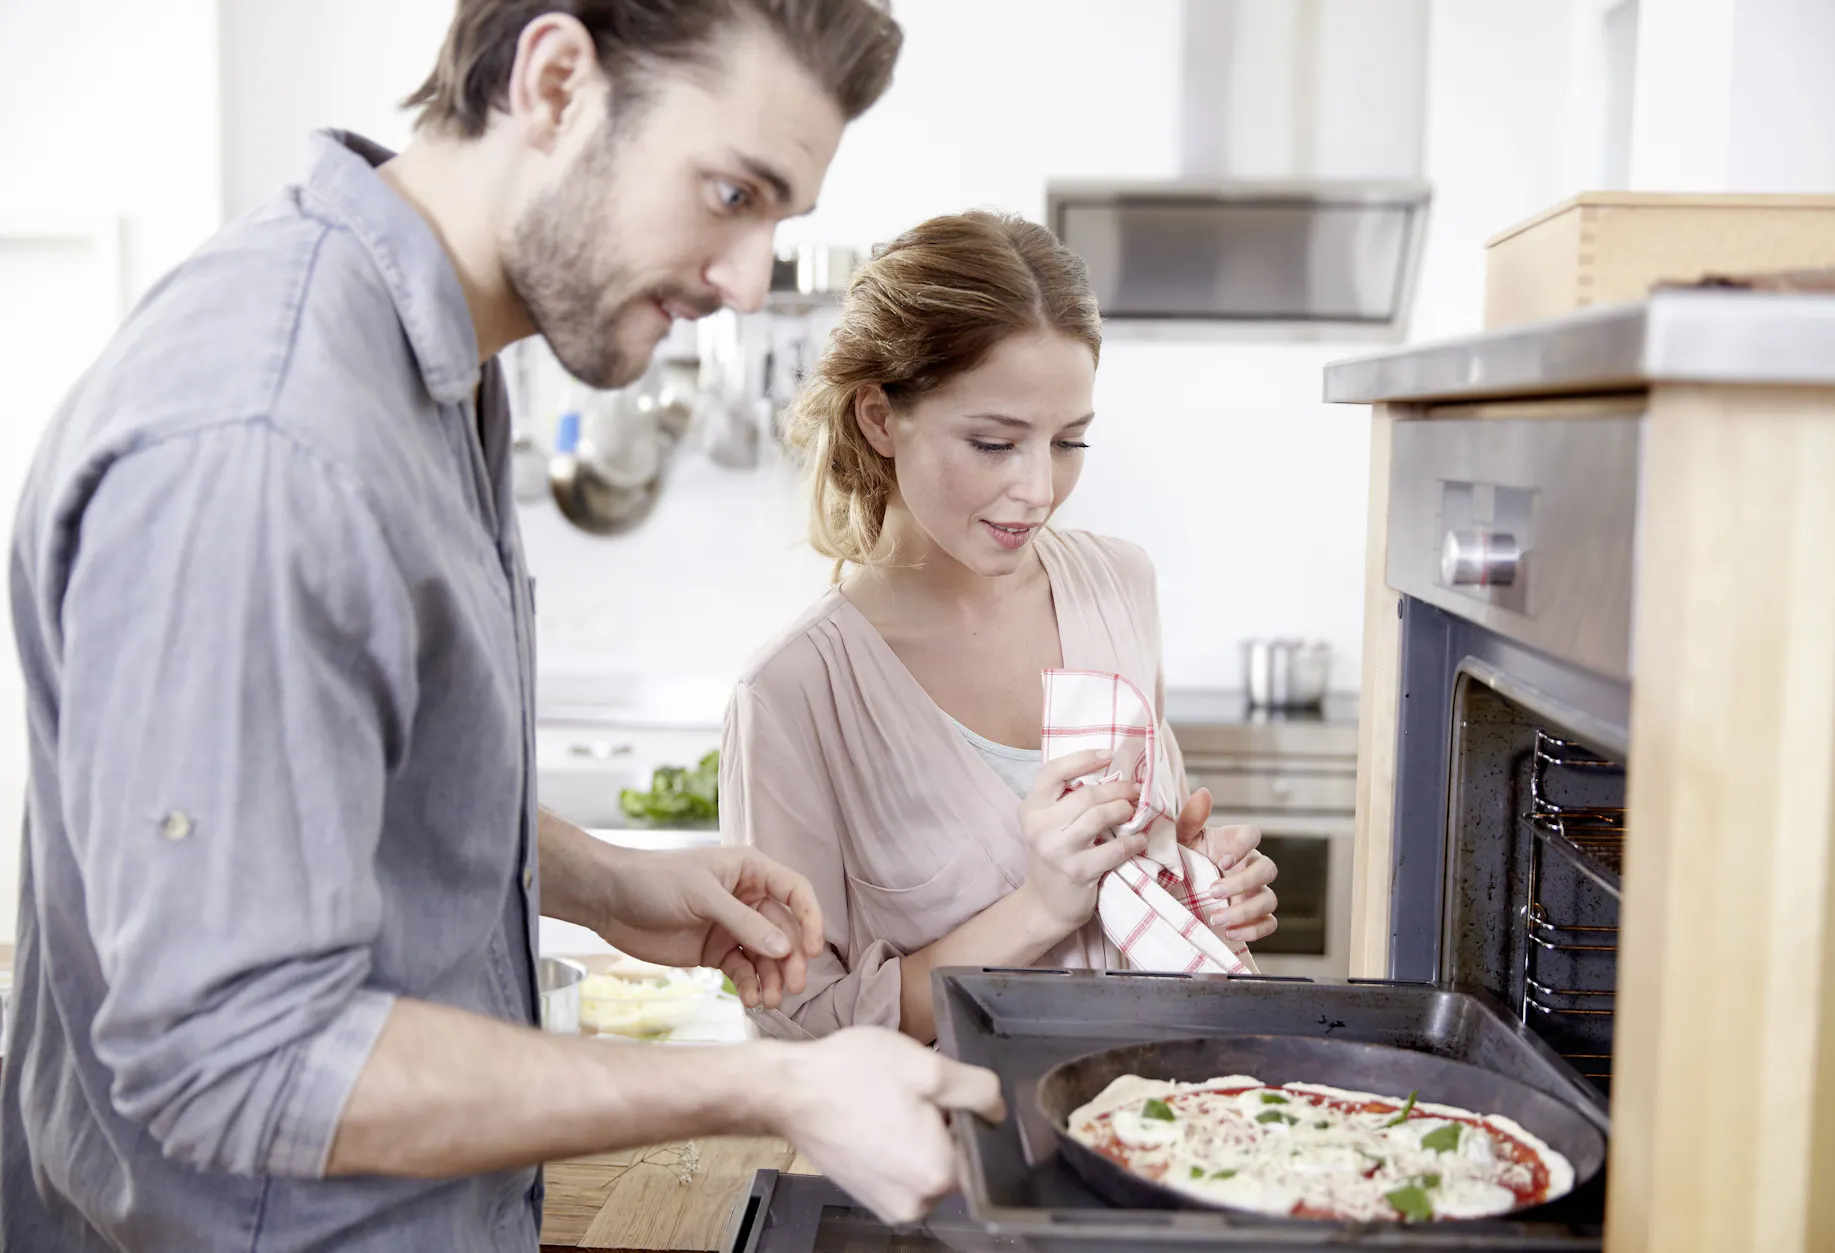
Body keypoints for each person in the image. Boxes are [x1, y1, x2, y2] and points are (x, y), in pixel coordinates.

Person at [2, 3, 1003, 1248]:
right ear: (554, 82)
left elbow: (320, 773)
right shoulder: (268, 441)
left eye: (777, 222)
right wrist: (770, 1081)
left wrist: (592, 878)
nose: (746, 284)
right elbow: (237, 1059)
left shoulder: (433, 371)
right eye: (733, 194)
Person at [719, 212, 1283, 1044]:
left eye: (1068, 441)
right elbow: (799, 1026)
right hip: (946, 1157)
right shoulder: (793, 696)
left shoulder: (1119, 586)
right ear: (880, 418)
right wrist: (1038, 908)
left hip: (1151, 1114)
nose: (1037, 490)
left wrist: (1201, 887)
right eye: (993, 442)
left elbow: (1150, 875)